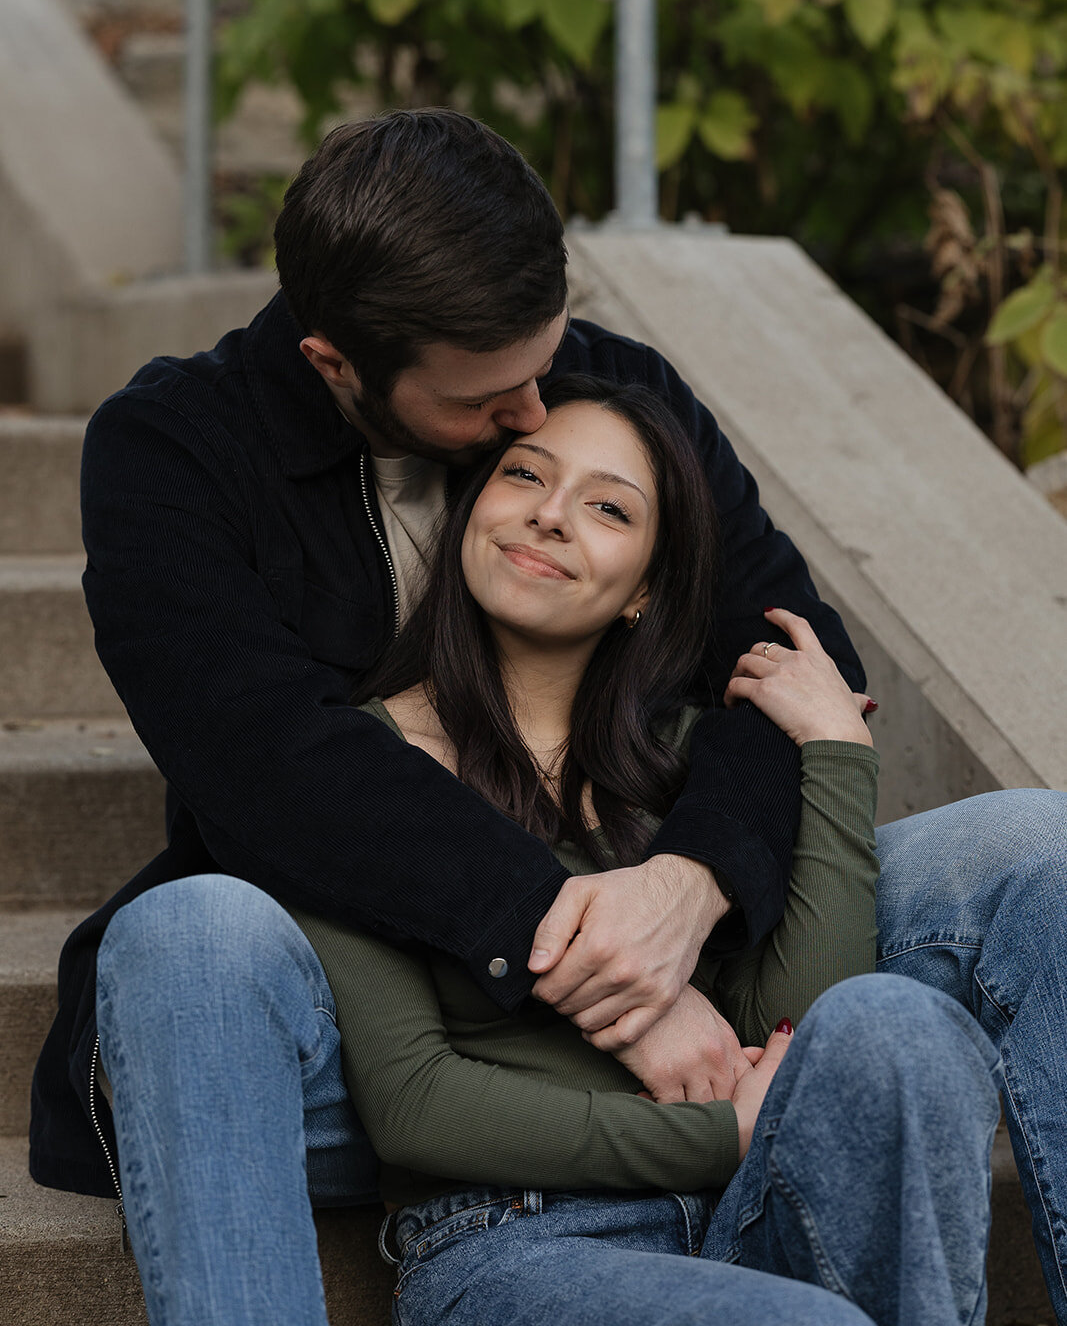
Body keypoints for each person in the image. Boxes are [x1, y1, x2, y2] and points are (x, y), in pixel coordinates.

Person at [28, 109, 1067, 1325]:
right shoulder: (177, 451)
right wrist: (598, 963)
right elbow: (274, 768)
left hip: (666, 915)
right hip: (380, 1018)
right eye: (489, 408)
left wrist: (687, 885)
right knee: (185, 936)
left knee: (1038, 857)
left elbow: (785, 643)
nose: (535, 412)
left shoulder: (601, 389)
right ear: (334, 363)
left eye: (545, 358)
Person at [277, 376, 1001, 1326]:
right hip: (516, 1242)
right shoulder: (353, 764)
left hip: (746, 1217)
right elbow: (415, 1105)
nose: (549, 517)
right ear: (470, 516)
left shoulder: (693, 769)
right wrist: (719, 1137)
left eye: (607, 507)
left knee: (898, 1021)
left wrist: (835, 751)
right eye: (524, 477)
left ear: (647, 588)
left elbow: (793, 1031)